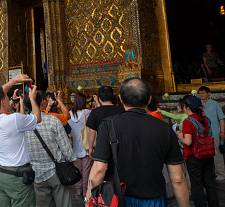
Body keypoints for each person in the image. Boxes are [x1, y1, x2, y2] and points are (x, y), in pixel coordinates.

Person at [86, 78, 189, 207]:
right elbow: (178, 179)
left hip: (120, 199)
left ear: (121, 99)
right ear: (149, 99)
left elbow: (99, 170)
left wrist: (88, 200)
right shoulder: (165, 129)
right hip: (154, 200)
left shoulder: (108, 125)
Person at [0, 74, 41, 207]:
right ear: (2, 102)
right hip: (17, 177)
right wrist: (32, 99)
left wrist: (14, 81)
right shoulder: (13, 119)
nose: (8, 98)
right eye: (6, 97)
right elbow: (37, 117)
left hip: (0, 175)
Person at [25, 90, 76, 207]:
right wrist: (73, 162)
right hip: (57, 171)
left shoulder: (23, 124)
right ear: (43, 103)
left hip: (37, 173)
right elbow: (66, 148)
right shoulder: (53, 121)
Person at [177, 95, 219, 207]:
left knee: (197, 186)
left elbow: (188, 141)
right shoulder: (205, 119)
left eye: (183, 106)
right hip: (208, 155)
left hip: (193, 157)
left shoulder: (188, 121)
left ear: (187, 107)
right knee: (210, 185)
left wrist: (180, 136)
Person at [86, 86, 124, 159]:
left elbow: (91, 131)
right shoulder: (121, 110)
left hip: (102, 145)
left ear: (99, 99)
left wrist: (91, 147)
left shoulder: (95, 112)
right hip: (120, 145)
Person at [198, 86, 225, 180]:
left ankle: (221, 173)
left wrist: (222, 132)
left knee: (217, 154)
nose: (201, 94)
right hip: (203, 134)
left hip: (215, 132)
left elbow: (221, 118)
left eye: (203, 92)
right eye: (200, 93)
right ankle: (210, 174)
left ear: (208, 93)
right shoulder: (198, 104)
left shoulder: (215, 104)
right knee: (206, 154)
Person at [67, 92, 91, 196]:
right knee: (86, 170)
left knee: (77, 169)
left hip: (74, 147)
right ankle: (86, 190)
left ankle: (79, 190)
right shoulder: (87, 112)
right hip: (85, 146)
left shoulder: (69, 114)